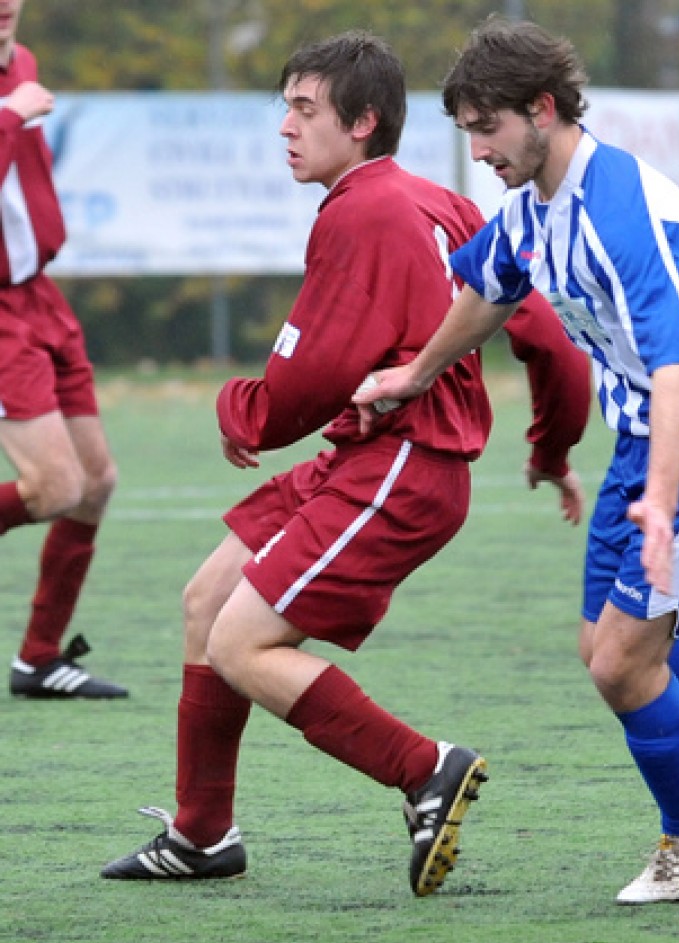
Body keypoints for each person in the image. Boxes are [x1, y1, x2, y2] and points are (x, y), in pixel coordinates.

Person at [356, 16, 679, 906]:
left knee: (626, 662)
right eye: (468, 132)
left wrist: (663, 508)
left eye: (489, 128)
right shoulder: (530, 208)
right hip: (647, 440)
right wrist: (412, 373)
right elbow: (487, 289)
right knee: (609, 644)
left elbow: (675, 369)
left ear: (544, 110)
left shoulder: (622, 211)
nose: (477, 150)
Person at [100, 31, 591, 897]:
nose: (285, 127)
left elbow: (310, 379)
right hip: (375, 463)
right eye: (284, 107)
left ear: (363, 123)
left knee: (242, 644)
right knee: (207, 600)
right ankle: (202, 833)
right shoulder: (440, 202)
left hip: (400, 468)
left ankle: (423, 768)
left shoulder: (362, 211)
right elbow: (552, 344)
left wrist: (240, 408)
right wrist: (550, 448)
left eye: (305, 110)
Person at [2, 0, 125, 700]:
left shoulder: (21, 66)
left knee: (95, 483)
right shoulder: (16, 94)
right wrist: (12, 113)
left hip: (38, 294)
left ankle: (39, 658)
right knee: (54, 488)